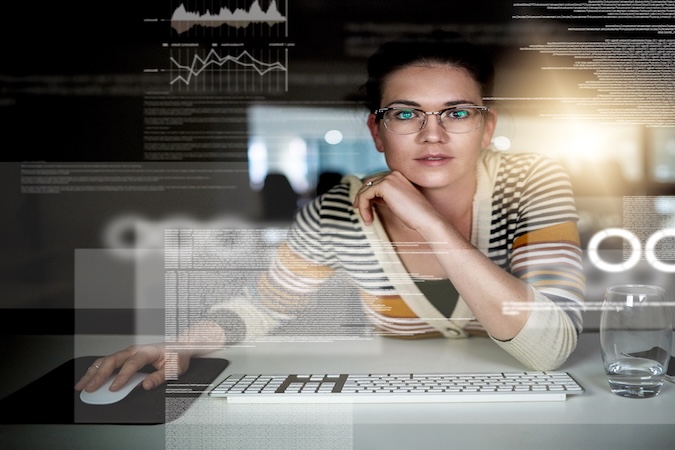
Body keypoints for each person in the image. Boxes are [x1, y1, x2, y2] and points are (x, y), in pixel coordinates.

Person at [75, 30, 585, 395]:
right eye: (406, 113)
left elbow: (550, 349)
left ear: (487, 126)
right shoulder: (335, 214)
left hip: (521, 405)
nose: (434, 134)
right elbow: (266, 304)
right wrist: (178, 344)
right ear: (377, 132)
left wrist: (429, 224)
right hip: (399, 398)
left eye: (457, 112)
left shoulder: (531, 180)